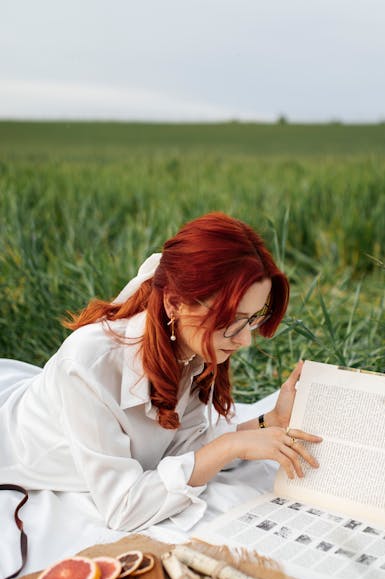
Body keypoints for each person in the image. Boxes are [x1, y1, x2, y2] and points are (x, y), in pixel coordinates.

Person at [0, 212, 321, 533]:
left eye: (253, 319)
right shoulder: (88, 365)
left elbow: (186, 448)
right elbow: (124, 508)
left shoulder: (190, 347)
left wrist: (269, 421)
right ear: (175, 303)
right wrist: (231, 446)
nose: (245, 339)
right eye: (232, 320)